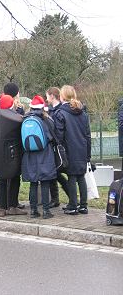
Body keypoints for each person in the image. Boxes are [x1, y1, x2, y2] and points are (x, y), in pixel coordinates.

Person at [54, 85, 91, 215]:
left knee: (71, 176)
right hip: (82, 148)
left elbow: (59, 135)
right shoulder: (83, 113)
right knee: (81, 176)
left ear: (62, 96)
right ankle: (83, 205)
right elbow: (87, 135)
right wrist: (88, 155)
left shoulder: (60, 113)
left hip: (69, 149)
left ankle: (73, 205)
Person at [21, 95, 56, 219]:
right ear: (42, 108)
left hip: (29, 155)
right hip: (45, 154)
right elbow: (53, 136)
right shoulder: (46, 120)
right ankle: (46, 210)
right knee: (45, 182)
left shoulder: (24, 119)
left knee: (33, 183)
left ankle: (33, 210)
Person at [0, 95, 27, 217]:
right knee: (14, 177)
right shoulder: (15, 119)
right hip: (12, 152)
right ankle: (12, 206)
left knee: (1, 179)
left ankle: (1, 208)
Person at [2, 82, 25, 209]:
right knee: (15, 176)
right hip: (15, 144)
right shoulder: (19, 109)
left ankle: (3, 202)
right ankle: (13, 202)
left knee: (3, 176)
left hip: (2, 145)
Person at [45, 87, 69, 208]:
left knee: (58, 173)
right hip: (53, 146)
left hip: (61, 147)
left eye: (47, 96)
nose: (46, 98)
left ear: (52, 96)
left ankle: (71, 198)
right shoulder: (50, 110)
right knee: (54, 173)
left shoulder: (59, 111)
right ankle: (55, 199)